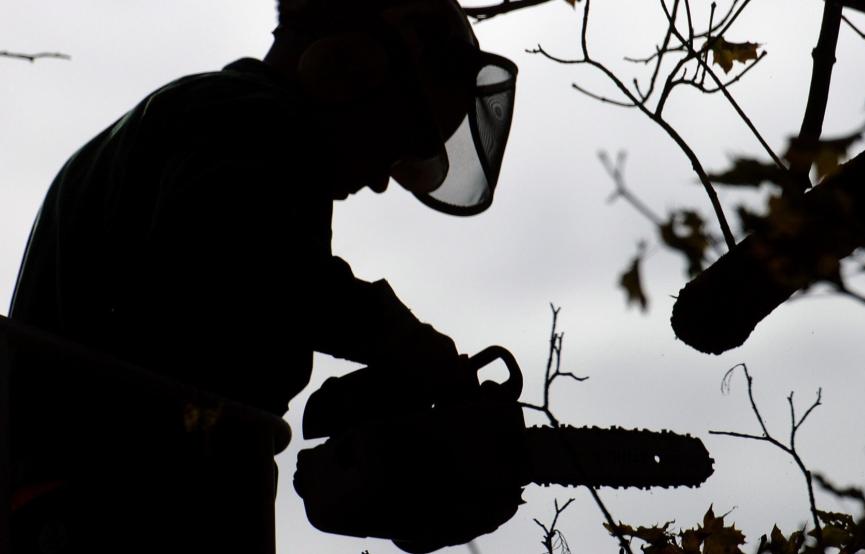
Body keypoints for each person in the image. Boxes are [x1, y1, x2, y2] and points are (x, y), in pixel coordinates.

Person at [8, 0, 517, 551]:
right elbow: (240, 258)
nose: (378, 179)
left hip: (116, 496)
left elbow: (226, 317)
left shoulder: (209, 119)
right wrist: (399, 339)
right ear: (350, 67)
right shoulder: (249, 120)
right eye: (389, 137)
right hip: (112, 506)